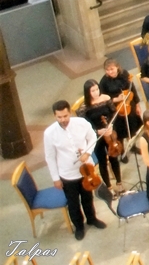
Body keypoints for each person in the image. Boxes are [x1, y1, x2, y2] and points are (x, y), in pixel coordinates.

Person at [44, 100, 106, 241]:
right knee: (73, 203)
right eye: (59, 117)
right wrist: (55, 178)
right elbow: (50, 157)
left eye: (65, 116)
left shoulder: (81, 123)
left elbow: (92, 137)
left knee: (87, 197)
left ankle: (92, 219)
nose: (63, 120)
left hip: (86, 171)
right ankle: (79, 226)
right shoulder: (49, 133)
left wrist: (87, 152)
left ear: (70, 113)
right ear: (54, 116)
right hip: (67, 174)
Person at [80, 79, 123, 194]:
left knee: (114, 157)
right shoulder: (84, 107)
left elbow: (114, 114)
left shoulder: (106, 98)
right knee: (102, 161)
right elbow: (84, 125)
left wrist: (111, 126)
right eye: (93, 91)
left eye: (97, 89)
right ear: (88, 92)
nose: (96, 92)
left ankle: (119, 183)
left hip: (109, 132)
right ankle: (109, 187)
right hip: (96, 136)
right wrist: (97, 131)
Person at [98, 59, 142, 142]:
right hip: (116, 109)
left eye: (112, 69)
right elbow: (103, 99)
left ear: (117, 67)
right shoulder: (104, 82)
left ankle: (133, 143)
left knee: (133, 127)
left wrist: (137, 105)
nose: (110, 72)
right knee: (121, 131)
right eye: (107, 70)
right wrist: (116, 99)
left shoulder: (124, 73)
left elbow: (132, 89)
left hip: (129, 104)